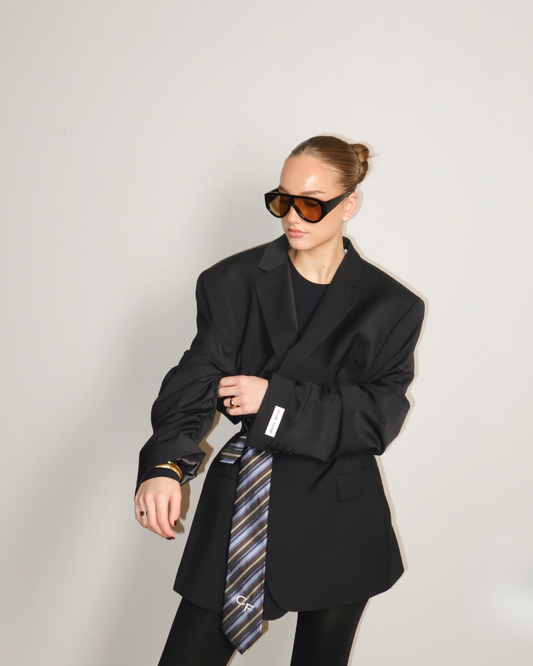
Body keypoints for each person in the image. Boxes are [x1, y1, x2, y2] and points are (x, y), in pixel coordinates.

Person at [134, 135, 425, 666]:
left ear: (349, 205)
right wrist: (165, 465)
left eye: (311, 204)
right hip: (245, 505)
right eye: (282, 200)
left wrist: (274, 401)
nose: (292, 216)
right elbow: (196, 377)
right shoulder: (231, 281)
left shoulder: (392, 306)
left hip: (338, 516)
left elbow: (377, 418)